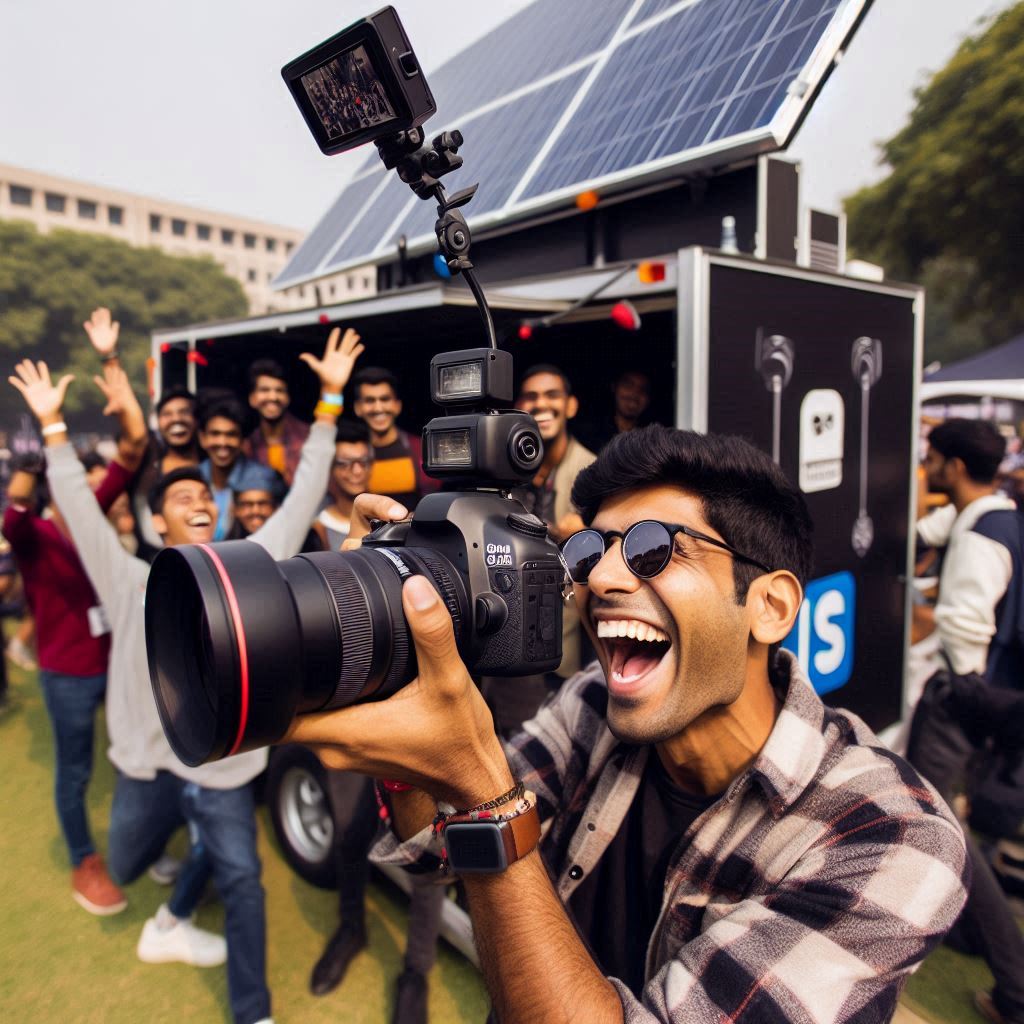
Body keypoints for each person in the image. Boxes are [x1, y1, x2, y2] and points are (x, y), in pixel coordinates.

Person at [287, 424, 969, 1023]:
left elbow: (483, 820)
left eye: (652, 548)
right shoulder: (594, 705)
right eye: (589, 550)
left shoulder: (892, 838)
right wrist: (393, 681)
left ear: (770, 607)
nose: (603, 576)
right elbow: (445, 854)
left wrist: (484, 789)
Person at [10, 325, 361, 1024]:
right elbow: (79, 509)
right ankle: (168, 911)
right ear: (158, 525)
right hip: (148, 776)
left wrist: (327, 403)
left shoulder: (246, 572)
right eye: (180, 499)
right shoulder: (130, 581)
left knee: (244, 878)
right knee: (131, 862)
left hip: (221, 774)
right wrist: (51, 425)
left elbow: (299, 504)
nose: (198, 502)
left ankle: (251, 1011)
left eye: (206, 497)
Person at [906, 418, 1024, 1024]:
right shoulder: (990, 514)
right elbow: (925, 527)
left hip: (962, 701)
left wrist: (958, 691)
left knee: (942, 824)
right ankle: (975, 935)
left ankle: (1016, 986)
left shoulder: (982, 535)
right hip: (986, 701)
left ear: (953, 466)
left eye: (931, 458)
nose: (926, 468)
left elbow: (964, 626)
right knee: (953, 818)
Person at [2, 447, 122, 914]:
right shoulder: (36, 533)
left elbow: (127, 463)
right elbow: (11, 518)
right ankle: (83, 861)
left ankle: (139, 843)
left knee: (133, 760)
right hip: (66, 675)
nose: (87, 491)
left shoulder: (95, 529)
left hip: (112, 667)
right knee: (74, 773)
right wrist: (29, 469)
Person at [83, 307, 201, 558]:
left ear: (196, 419)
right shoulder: (149, 462)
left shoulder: (212, 463)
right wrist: (109, 357)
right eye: (168, 414)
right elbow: (134, 434)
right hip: (150, 563)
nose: (177, 420)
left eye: (184, 412)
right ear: (158, 421)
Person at [197, 395, 284, 541]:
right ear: (203, 438)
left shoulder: (263, 478)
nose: (222, 442)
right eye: (215, 434)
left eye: (231, 434)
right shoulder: (194, 477)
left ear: (243, 441)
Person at [351, 366, 437, 509]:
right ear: (358, 408)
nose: (378, 408)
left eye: (385, 399)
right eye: (369, 400)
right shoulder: (351, 457)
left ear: (397, 405)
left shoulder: (422, 449)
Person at [244, 358, 309, 487]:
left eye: (279, 390)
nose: (273, 397)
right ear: (252, 399)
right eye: (264, 390)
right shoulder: (247, 445)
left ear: (288, 398)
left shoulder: (307, 437)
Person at [311, 418, 373, 550]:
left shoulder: (384, 521)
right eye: (344, 463)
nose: (357, 471)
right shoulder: (319, 528)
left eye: (363, 462)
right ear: (331, 468)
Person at [577, 368, 653, 453]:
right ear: (614, 387)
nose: (635, 394)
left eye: (643, 389)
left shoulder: (652, 441)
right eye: (628, 385)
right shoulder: (588, 433)